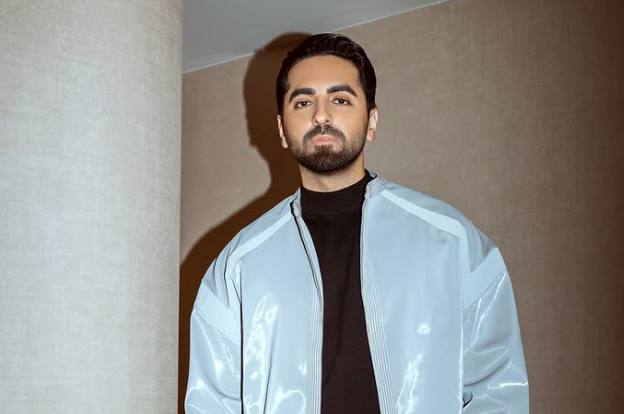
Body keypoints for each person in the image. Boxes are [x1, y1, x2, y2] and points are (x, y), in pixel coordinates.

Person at [185, 33, 529, 414]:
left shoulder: (451, 240)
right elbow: (211, 403)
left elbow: (497, 389)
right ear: (282, 129)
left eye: (340, 99)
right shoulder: (237, 267)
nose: (321, 115)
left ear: (372, 121)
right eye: (303, 102)